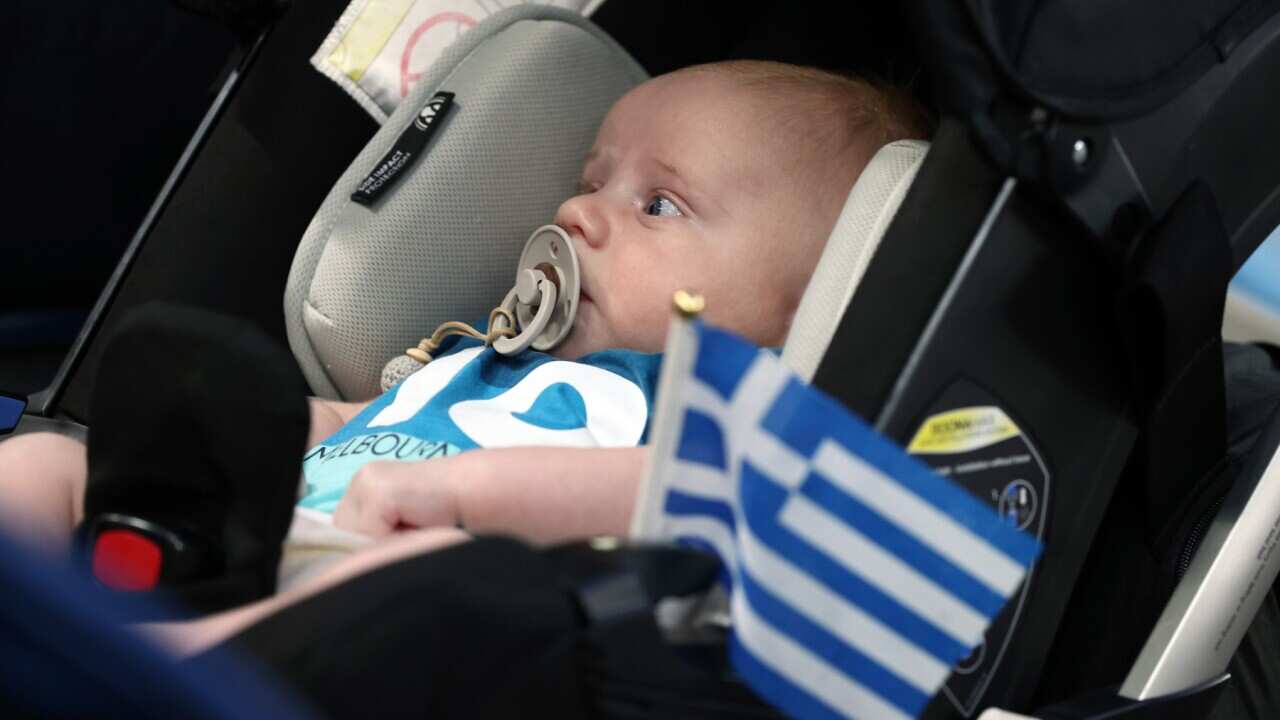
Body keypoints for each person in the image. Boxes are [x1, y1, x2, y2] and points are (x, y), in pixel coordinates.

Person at [0, 60, 930, 651]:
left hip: (400, 600)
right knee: (50, 460)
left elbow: (665, 492)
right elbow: (365, 427)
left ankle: (162, 665)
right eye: (589, 183)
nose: (577, 214)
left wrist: (463, 496)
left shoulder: (698, 410)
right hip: (264, 538)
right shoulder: (476, 358)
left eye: (660, 206)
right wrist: (249, 431)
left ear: (797, 316)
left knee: (427, 573)